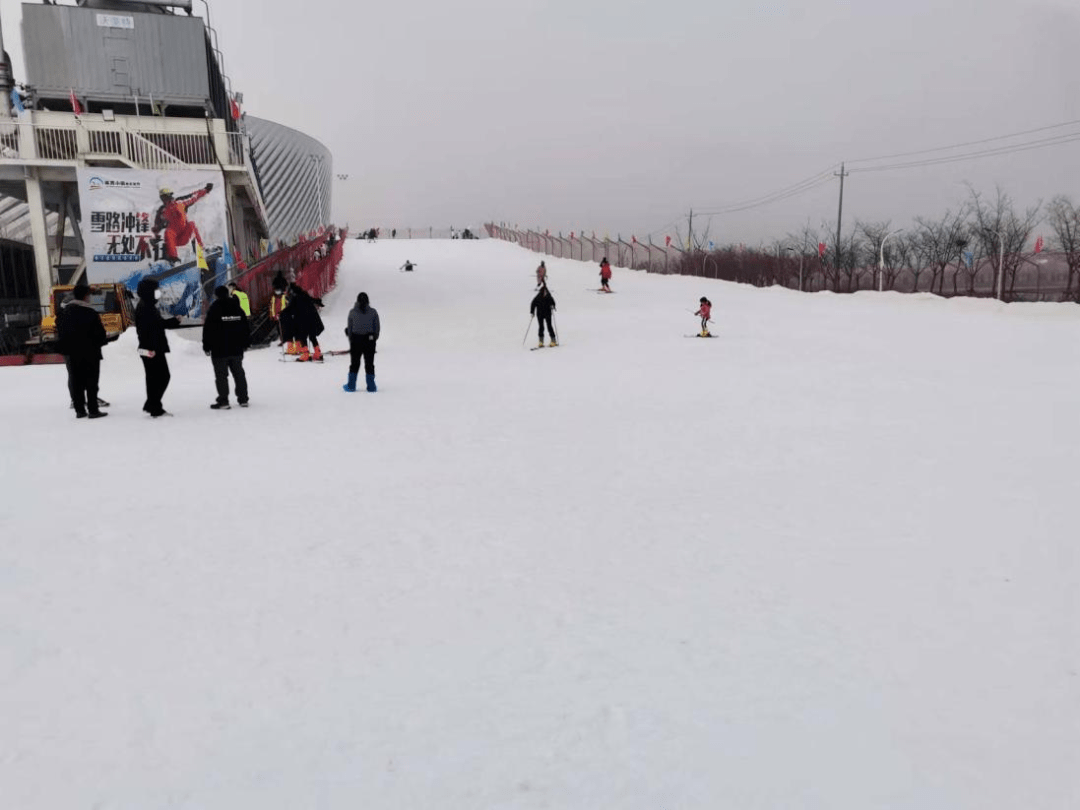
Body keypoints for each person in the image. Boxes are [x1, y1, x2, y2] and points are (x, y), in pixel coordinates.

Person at [55, 283, 109, 419]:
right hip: (90, 353)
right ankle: (93, 410)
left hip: (72, 354)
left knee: (76, 380)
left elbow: (60, 334)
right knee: (91, 382)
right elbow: (100, 334)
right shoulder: (90, 313)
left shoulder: (63, 313)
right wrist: (102, 341)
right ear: (85, 296)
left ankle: (80, 410)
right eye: (89, 295)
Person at [135, 277, 182, 417]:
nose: (158, 292)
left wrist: (174, 321)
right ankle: (153, 405)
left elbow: (158, 324)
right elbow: (154, 327)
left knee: (153, 378)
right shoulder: (146, 307)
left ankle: (153, 405)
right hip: (151, 348)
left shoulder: (146, 305)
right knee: (162, 377)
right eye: (156, 290)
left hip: (149, 347)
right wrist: (173, 321)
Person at [202, 286, 250, 409]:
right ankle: (243, 398)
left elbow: (208, 329)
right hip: (236, 348)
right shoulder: (238, 309)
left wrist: (206, 346)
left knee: (221, 376)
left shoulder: (214, 309)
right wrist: (245, 343)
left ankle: (224, 401)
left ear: (216, 295)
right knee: (239, 373)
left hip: (219, 350)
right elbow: (245, 327)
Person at [151, 183, 213, 265]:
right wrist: (156, 237)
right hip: (173, 240)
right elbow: (157, 226)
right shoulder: (162, 211)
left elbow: (194, 196)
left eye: (166, 197)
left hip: (184, 235)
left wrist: (206, 190)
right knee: (168, 232)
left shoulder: (180, 203)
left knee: (191, 224)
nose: (165, 199)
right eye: (163, 198)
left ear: (170, 195)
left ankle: (201, 249)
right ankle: (174, 258)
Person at [343, 292, 381, 393]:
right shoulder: (373, 312)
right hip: (369, 340)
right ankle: (371, 386)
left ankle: (351, 385)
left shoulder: (352, 312)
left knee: (354, 363)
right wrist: (374, 338)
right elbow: (377, 328)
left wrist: (351, 339)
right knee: (369, 363)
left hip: (356, 340)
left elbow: (350, 329)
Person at [287, 282, 324, 362]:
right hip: (312, 318)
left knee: (302, 336)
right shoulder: (304, 295)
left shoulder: (294, 298)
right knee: (312, 336)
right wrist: (319, 302)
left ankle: (305, 354)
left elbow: (290, 310)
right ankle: (318, 353)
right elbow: (313, 300)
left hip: (302, 320)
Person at [269, 276, 289, 345]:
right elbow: (271, 307)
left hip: (283, 315)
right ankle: (282, 339)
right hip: (276, 316)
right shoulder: (273, 298)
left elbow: (287, 306)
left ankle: (284, 339)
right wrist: (272, 315)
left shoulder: (284, 297)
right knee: (279, 328)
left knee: (283, 328)